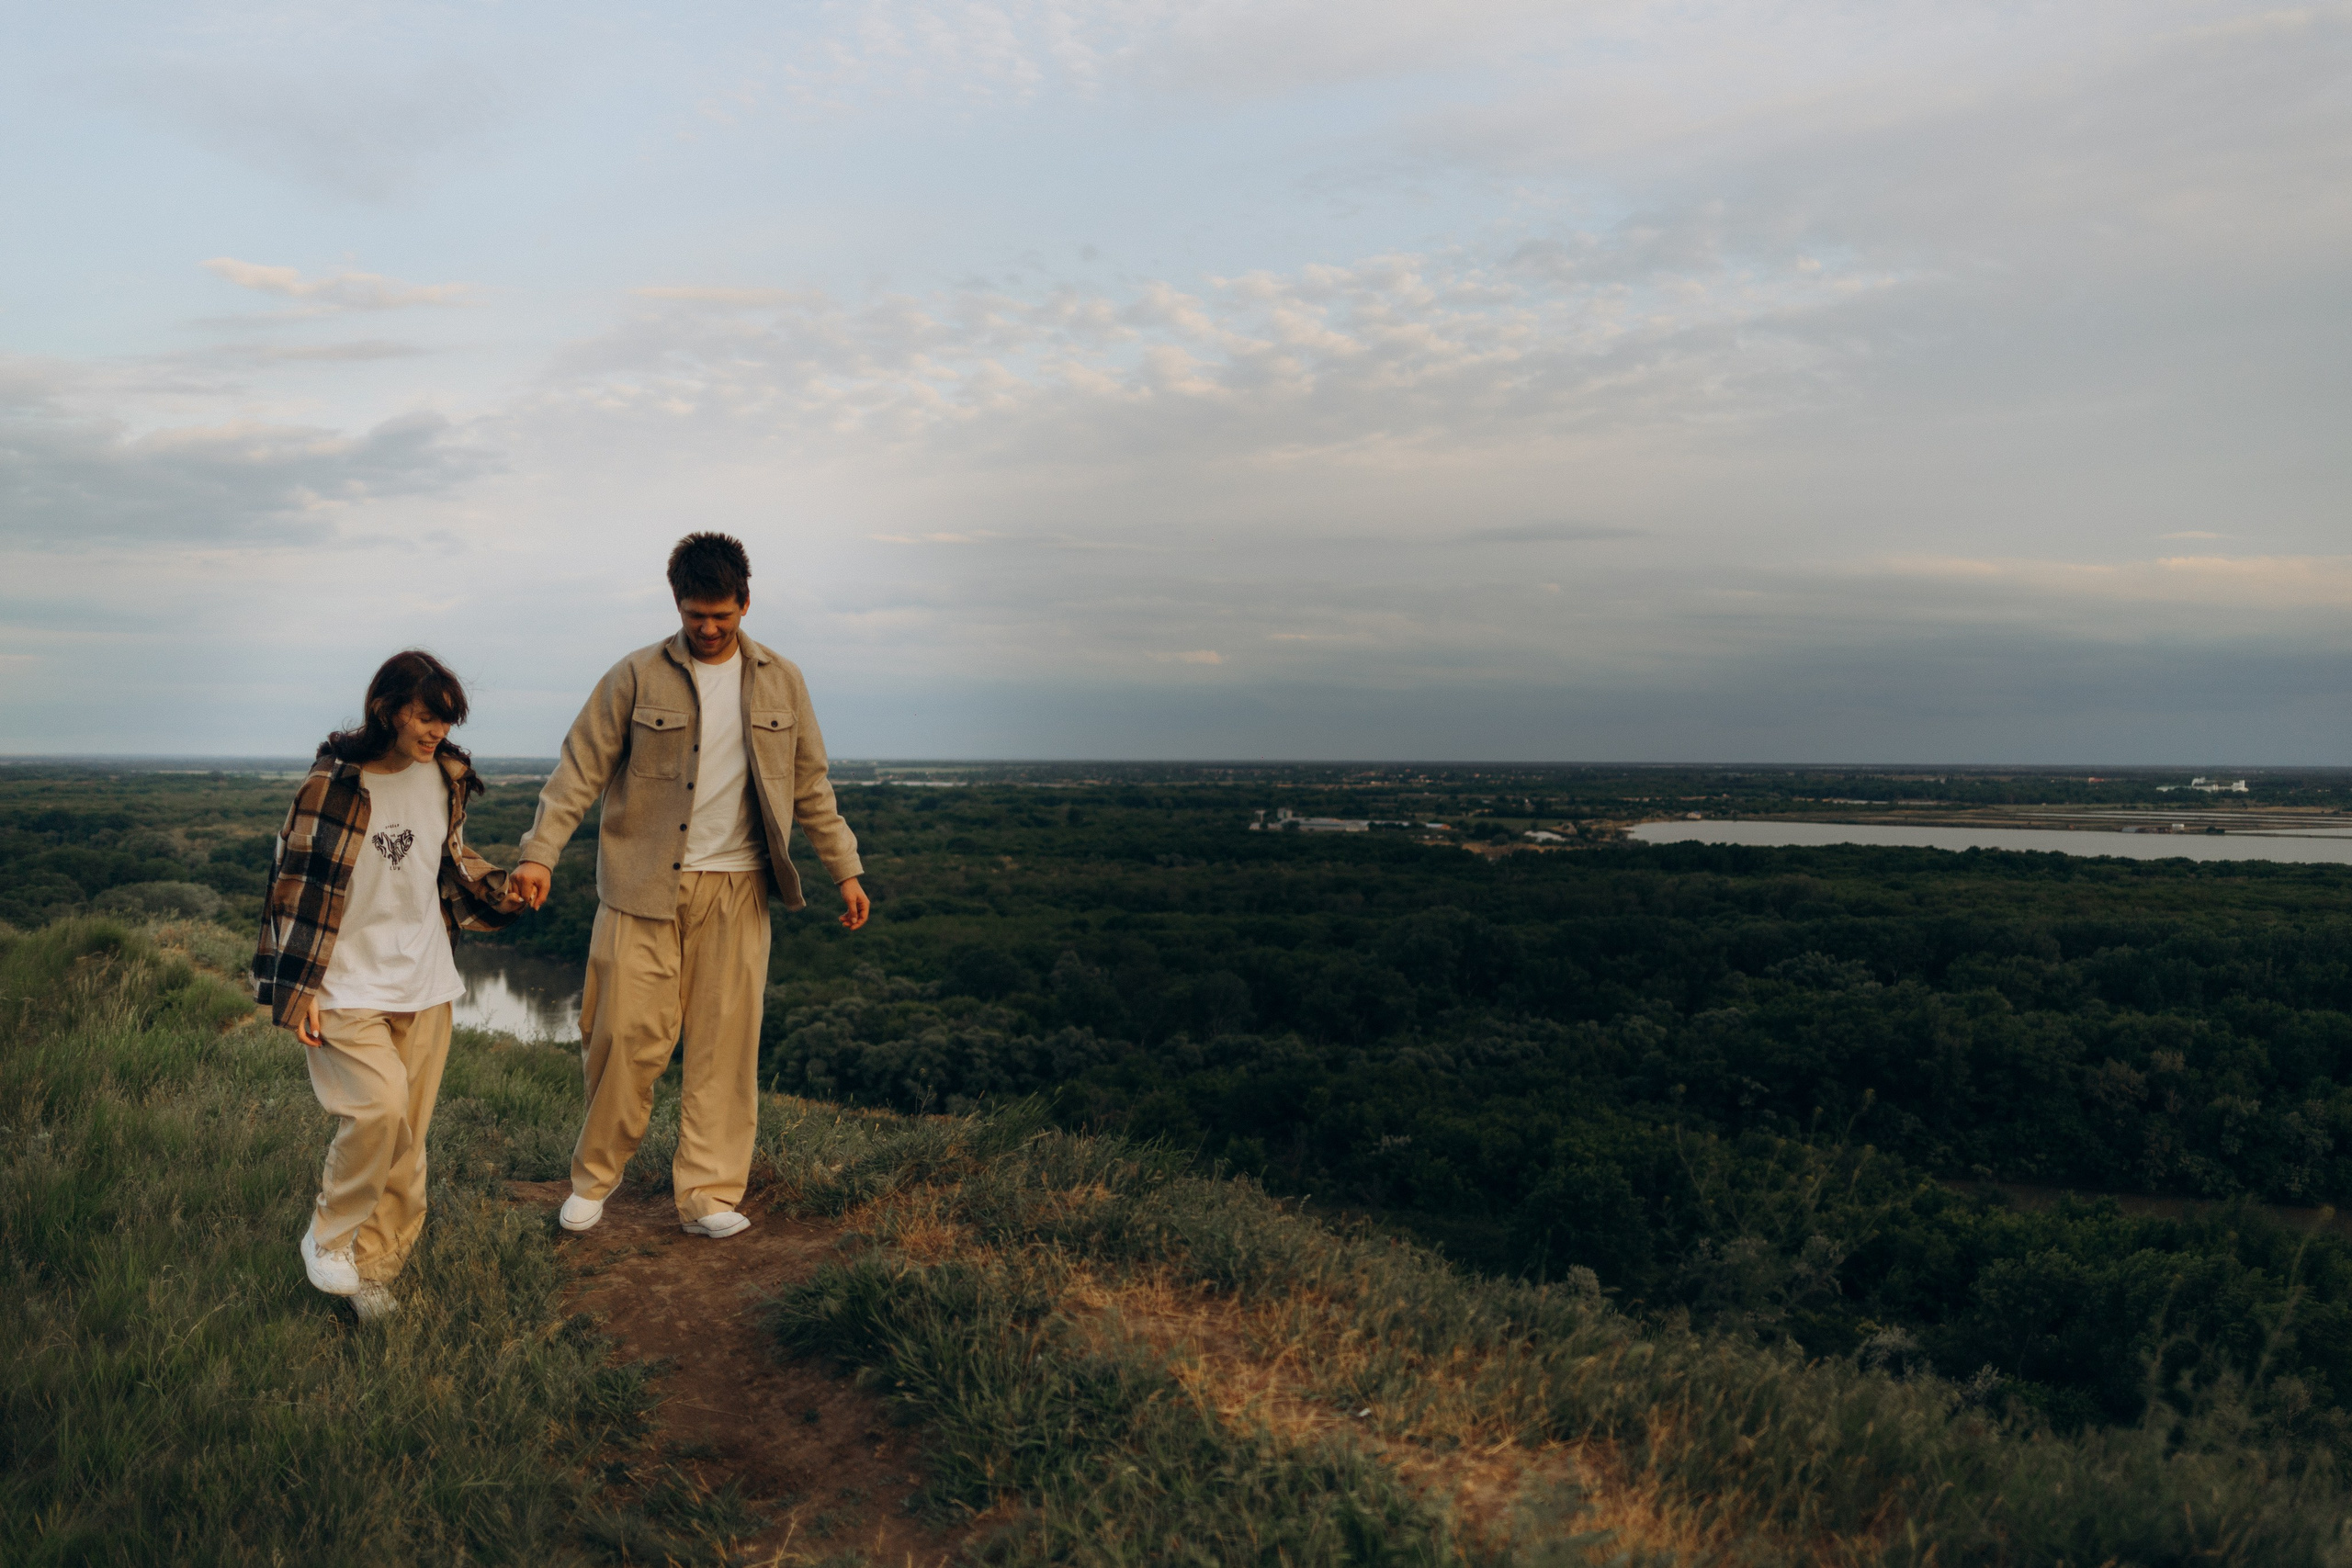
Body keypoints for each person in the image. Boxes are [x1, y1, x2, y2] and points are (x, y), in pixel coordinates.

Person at [508, 532, 867, 1240]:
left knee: (725, 1046)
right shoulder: (634, 675)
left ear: (745, 603)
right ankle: (593, 1179)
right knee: (621, 1034)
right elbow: (577, 770)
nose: (708, 628)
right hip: (639, 889)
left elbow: (809, 784)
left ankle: (707, 1193)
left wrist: (845, 868)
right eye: (695, 614)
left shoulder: (783, 680)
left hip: (739, 889)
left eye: (722, 616)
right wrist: (539, 854)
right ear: (676, 604)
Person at [251, 650, 522, 1320]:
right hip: (343, 982)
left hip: (425, 979)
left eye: (446, 720)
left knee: (407, 1138)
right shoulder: (332, 783)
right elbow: (293, 886)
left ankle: (373, 1270)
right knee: (376, 1107)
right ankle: (328, 1234)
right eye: (426, 717)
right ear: (389, 708)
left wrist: (503, 886)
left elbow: (448, 861)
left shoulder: (446, 776)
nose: (437, 731)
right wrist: (297, 987)